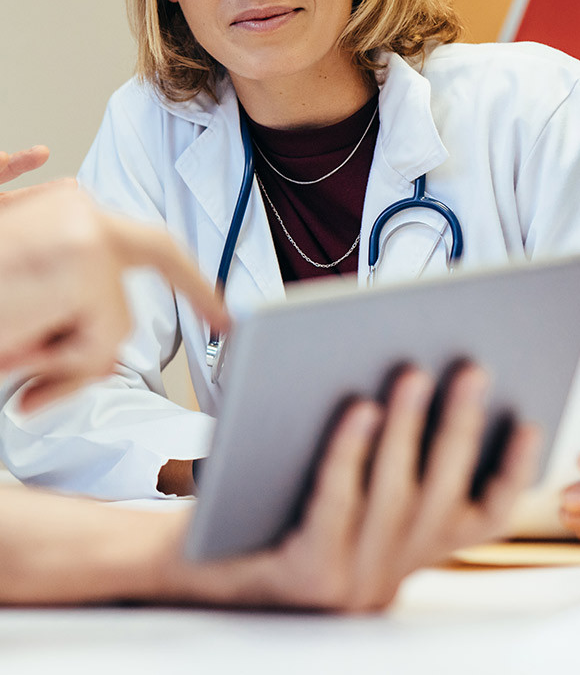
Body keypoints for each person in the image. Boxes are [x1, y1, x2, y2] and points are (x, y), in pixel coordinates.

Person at [2, 0, 580, 506]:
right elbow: (59, 400)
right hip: (285, 586)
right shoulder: (151, 129)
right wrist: (252, 469)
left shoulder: (532, 106)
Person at [0, 164, 540, 610]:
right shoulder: (151, 123)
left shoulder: (531, 102)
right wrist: (234, 495)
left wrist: (218, 554)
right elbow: (52, 410)